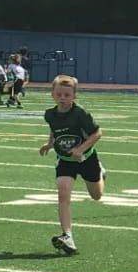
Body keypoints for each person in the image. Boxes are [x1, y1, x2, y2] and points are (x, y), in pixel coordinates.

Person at [39, 75, 105, 255]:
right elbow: (54, 129)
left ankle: (100, 172)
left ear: (74, 96)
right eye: (59, 94)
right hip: (65, 161)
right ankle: (67, 236)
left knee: (97, 195)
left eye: (67, 95)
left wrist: (81, 149)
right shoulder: (49, 114)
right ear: (52, 94)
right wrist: (50, 143)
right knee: (63, 193)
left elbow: (97, 133)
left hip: (86, 158)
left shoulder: (79, 113)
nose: (63, 98)